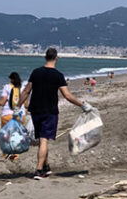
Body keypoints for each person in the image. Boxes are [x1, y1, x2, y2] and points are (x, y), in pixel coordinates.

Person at [16, 47, 93, 180]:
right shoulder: (58, 75)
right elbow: (67, 95)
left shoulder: (36, 72)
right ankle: (39, 170)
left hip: (35, 110)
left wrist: (18, 107)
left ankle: (46, 166)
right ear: (56, 58)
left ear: (45, 57)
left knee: (42, 139)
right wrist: (82, 105)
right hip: (50, 111)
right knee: (44, 140)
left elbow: (26, 91)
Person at [0, 72, 27, 160]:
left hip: (7, 116)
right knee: (17, 135)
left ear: (11, 79)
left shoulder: (7, 87)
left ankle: (6, 155)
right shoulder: (23, 88)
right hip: (21, 116)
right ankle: (15, 156)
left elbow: (2, 103)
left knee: (5, 136)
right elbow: (26, 105)